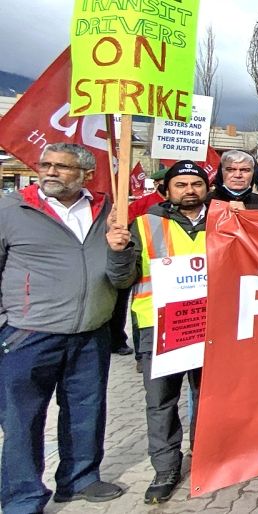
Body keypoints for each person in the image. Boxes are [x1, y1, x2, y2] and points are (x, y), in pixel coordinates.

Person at [0, 143, 132, 512]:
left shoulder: (109, 209)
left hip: (91, 332)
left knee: (86, 409)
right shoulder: (11, 209)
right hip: (28, 334)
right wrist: (6, 325)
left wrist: (120, 250)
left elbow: (122, 279)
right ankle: (22, 495)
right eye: (46, 164)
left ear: (86, 174)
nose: (51, 171)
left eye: (62, 166)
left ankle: (79, 479)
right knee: (22, 418)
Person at [108, 160, 208, 504]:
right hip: (160, 328)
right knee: (161, 401)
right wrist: (118, 252)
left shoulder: (225, 221)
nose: (190, 190)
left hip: (210, 324)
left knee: (209, 397)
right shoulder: (142, 225)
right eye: (181, 184)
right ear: (166, 191)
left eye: (196, 184)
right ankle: (166, 468)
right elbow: (122, 280)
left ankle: (206, 455)